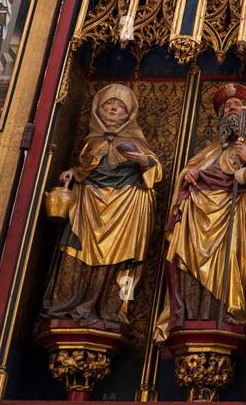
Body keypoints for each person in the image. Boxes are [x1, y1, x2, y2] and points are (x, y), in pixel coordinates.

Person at [43, 84, 160, 330]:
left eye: (120, 106)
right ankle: (67, 305)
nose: (114, 109)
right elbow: (85, 166)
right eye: (109, 104)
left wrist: (143, 161)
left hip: (125, 204)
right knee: (75, 252)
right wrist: (72, 173)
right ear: (98, 110)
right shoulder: (91, 141)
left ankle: (107, 308)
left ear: (130, 113)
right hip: (88, 203)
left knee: (116, 258)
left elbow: (155, 170)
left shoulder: (137, 141)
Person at [160, 83, 246, 336]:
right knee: (187, 255)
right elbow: (186, 174)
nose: (231, 109)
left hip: (234, 213)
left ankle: (227, 312)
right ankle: (191, 313)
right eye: (226, 107)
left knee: (230, 260)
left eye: (237, 105)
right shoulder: (209, 150)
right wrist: (190, 175)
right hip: (198, 218)